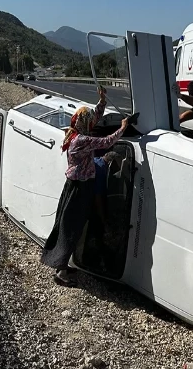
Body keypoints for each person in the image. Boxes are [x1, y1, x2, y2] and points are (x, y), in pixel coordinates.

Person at [40, 86, 130, 287]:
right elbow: (106, 141)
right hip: (79, 189)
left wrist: (102, 101)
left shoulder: (74, 133)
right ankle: (61, 271)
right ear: (84, 122)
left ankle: (61, 263)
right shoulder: (82, 141)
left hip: (75, 186)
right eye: (89, 120)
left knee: (70, 225)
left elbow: (94, 117)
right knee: (71, 227)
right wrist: (122, 127)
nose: (92, 122)